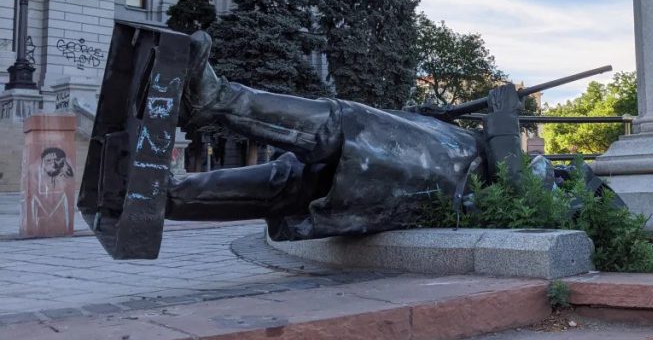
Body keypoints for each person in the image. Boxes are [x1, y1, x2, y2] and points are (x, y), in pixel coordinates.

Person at [166, 32, 487, 241]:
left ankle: (217, 99)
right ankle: (168, 197)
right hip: (438, 152)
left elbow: (515, 178)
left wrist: (502, 125)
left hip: (442, 172)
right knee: (291, 178)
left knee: (348, 126)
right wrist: (429, 117)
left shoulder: (530, 163)